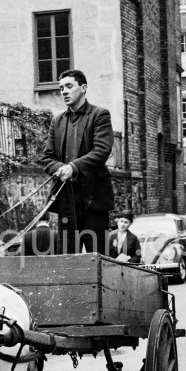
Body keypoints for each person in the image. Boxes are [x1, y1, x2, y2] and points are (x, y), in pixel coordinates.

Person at [40, 69, 114, 255]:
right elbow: (47, 158)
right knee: (66, 257)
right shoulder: (57, 121)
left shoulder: (100, 115)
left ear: (83, 88)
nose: (64, 91)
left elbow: (102, 151)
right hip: (66, 199)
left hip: (93, 199)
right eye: (61, 88)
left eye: (69, 86)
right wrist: (61, 169)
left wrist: (73, 168)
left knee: (97, 256)